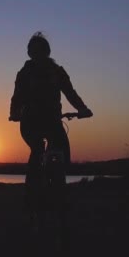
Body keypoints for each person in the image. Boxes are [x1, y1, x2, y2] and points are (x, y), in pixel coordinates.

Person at [9, 32, 92, 231]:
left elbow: (70, 92)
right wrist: (15, 113)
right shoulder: (24, 73)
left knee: (62, 151)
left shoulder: (57, 71)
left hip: (53, 120)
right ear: (29, 53)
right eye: (32, 50)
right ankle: (31, 198)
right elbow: (17, 97)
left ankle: (59, 190)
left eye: (39, 50)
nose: (36, 53)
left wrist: (82, 108)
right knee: (37, 150)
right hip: (30, 121)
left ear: (46, 51)